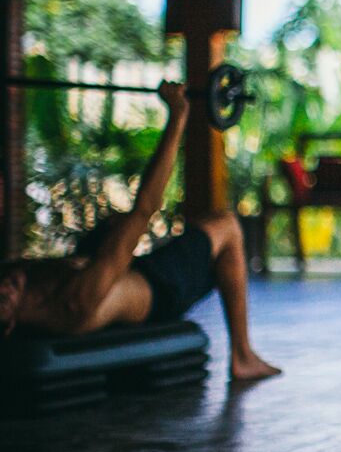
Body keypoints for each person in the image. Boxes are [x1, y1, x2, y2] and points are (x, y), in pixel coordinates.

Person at [0, 83, 280, 382]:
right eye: (3, 300)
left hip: (128, 272)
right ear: (9, 326)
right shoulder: (74, 302)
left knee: (114, 227)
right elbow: (146, 207)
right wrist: (178, 115)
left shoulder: (20, 285)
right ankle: (243, 356)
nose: (5, 287)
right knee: (226, 225)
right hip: (161, 288)